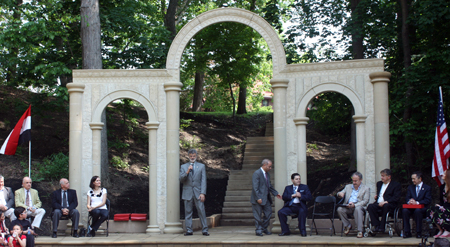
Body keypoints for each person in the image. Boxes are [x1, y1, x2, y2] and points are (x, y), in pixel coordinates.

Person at [179, 149, 209, 236]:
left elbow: (203, 181)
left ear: (196, 156)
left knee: (201, 211)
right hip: (187, 192)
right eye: (191, 156)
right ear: (188, 156)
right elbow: (181, 179)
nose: (192, 157)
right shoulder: (183, 167)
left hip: (198, 192)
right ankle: (189, 230)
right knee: (188, 212)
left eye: (194, 156)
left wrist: (203, 193)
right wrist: (187, 171)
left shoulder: (201, 166)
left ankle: (205, 230)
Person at [251, 159, 282, 237]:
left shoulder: (267, 174)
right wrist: (258, 198)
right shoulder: (257, 173)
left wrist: (276, 193)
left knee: (268, 213)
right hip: (257, 198)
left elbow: (269, 186)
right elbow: (255, 187)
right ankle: (258, 230)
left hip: (266, 198)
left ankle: (264, 228)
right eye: (269, 166)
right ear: (264, 165)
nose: (270, 168)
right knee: (257, 215)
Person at [337, 171, 370, 238]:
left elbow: (365, 201)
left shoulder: (366, 188)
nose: (354, 182)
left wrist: (355, 205)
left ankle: (360, 231)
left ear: (361, 180)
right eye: (353, 181)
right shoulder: (348, 187)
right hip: (348, 206)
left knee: (357, 209)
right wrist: (340, 194)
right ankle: (348, 225)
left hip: (359, 206)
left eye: (356, 181)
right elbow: (340, 193)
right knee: (340, 209)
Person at [367, 169, 401, 233]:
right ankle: (376, 225)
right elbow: (380, 194)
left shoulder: (396, 185)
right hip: (379, 203)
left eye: (383, 176)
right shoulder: (379, 184)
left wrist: (386, 201)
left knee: (386, 206)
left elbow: (396, 197)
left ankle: (382, 226)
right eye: (381, 176)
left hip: (389, 204)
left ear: (389, 177)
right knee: (370, 206)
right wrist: (377, 198)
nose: (381, 177)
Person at [402, 171, 432, 238]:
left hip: (422, 208)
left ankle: (418, 232)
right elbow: (407, 198)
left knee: (418, 211)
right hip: (411, 207)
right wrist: (410, 201)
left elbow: (428, 200)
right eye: (412, 179)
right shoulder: (410, 187)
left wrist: (417, 203)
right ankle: (407, 232)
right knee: (405, 211)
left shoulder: (427, 188)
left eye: (414, 179)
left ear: (420, 179)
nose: (413, 180)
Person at [428, 169, 450, 238]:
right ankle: (441, 230)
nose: (442, 175)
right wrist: (439, 205)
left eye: (444, 174)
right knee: (432, 209)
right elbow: (441, 200)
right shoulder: (442, 187)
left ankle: (447, 230)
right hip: (444, 207)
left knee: (441, 210)